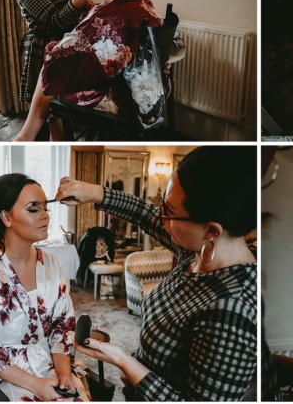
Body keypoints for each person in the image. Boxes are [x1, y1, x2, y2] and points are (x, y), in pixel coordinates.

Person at [56, 146, 257, 401]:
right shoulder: (196, 253)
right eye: (163, 206)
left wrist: (125, 362)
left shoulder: (233, 310)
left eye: (169, 212)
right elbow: (144, 213)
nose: (160, 217)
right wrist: (93, 193)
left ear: (212, 231)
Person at [14, 0, 162, 140]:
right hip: (148, 90)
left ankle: (26, 134)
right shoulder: (142, 3)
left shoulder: (107, 15)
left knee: (53, 65)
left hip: (122, 97)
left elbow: (62, 54)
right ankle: (50, 128)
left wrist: (57, 45)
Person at [0, 174, 80, 401]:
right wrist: (36, 385)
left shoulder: (52, 264)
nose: (45, 216)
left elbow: (62, 327)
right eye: (33, 209)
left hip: (51, 364)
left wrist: (64, 374)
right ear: (6, 217)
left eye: (45, 207)